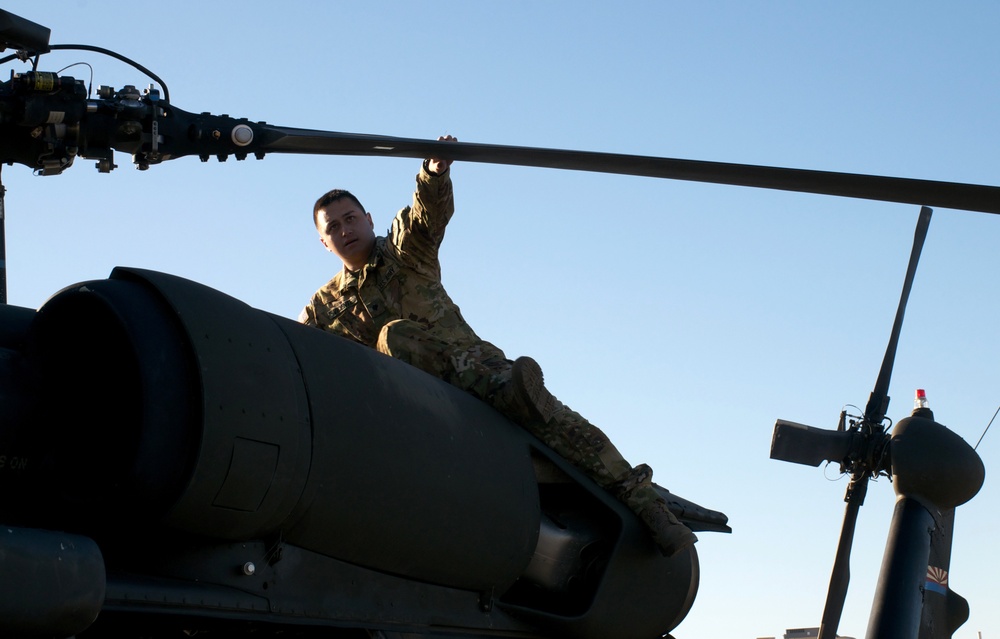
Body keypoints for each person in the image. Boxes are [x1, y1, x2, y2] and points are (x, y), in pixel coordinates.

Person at [299, 136, 696, 557]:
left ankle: (653, 511)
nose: (345, 230)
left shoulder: (403, 251)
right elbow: (302, 354)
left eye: (350, 218)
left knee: (556, 421)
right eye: (334, 228)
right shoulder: (324, 308)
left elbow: (424, 215)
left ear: (369, 219)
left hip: (478, 369)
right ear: (324, 243)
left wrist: (434, 172)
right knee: (393, 341)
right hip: (409, 409)